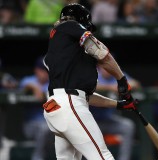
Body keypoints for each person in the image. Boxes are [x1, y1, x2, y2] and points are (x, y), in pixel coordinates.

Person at [43, 3, 138, 160]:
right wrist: (121, 79)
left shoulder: (63, 55)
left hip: (57, 107)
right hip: (68, 105)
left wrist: (118, 104)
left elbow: (84, 96)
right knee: (102, 156)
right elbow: (102, 54)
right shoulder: (69, 25)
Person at [90, 66, 141, 160]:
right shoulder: (92, 73)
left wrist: (121, 86)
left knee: (128, 126)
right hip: (90, 122)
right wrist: (110, 87)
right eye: (104, 67)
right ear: (99, 67)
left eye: (109, 67)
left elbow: (136, 84)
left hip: (108, 120)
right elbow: (86, 85)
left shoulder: (115, 74)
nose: (107, 70)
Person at [19, 56, 53, 160]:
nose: (44, 74)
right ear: (36, 70)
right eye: (42, 70)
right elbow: (24, 84)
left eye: (47, 71)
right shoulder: (29, 80)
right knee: (44, 128)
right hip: (30, 125)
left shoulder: (53, 83)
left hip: (50, 124)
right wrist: (33, 87)